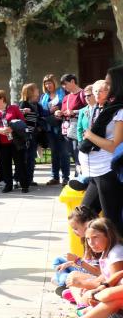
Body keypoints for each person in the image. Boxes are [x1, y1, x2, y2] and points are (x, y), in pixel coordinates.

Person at [43, 218, 123, 318]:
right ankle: (84, 313)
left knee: (106, 299)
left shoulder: (116, 252)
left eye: (95, 237)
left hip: (115, 297)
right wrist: (91, 285)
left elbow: (114, 285)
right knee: (72, 276)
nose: (91, 243)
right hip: (111, 292)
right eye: (88, 239)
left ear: (109, 235)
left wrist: (88, 286)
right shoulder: (108, 250)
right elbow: (107, 277)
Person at [80, 71, 123, 235]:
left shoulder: (119, 110)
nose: (104, 86)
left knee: (111, 222)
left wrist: (90, 135)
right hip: (95, 171)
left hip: (108, 171)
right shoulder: (106, 107)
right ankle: (92, 257)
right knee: (82, 218)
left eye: (108, 83)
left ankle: (114, 258)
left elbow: (114, 146)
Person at [0, 90, 29, 193]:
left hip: (16, 142)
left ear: (2, 99)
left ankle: (24, 185)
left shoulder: (13, 108)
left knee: (20, 164)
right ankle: (8, 185)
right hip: (2, 144)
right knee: (5, 165)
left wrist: (13, 128)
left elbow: (23, 121)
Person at [52, 205, 99, 295]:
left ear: (86, 225)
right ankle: (65, 282)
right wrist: (69, 263)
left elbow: (96, 271)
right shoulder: (86, 239)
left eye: (76, 228)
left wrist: (76, 260)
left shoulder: (95, 242)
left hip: (91, 274)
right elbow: (86, 260)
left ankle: (64, 284)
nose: (74, 232)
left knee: (70, 274)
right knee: (58, 260)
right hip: (85, 268)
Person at [40, 74, 69, 185]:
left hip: (62, 126)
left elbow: (68, 106)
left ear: (54, 83)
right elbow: (41, 112)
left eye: (50, 82)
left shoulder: (63, 93)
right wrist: (50, 111)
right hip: (49, 127)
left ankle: (66, 177)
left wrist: (60, 109)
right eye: (46, 83)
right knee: (54, 153)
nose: (48, 85)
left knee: (64, 153)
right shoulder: (43, 97)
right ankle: (55, 177)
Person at [17, 83, 45, 190]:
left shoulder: (37, 104)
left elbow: (42, 115)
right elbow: (18, 116)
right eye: (36, 89)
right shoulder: (23, 104)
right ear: (30, 92)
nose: (38, 90)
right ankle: (22, 179)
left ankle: (29, 179)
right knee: (25, 157)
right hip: (25, 135)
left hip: (34, 135)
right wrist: (23, 112)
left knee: (31, 158)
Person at [59, 73, 87, 177]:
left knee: (77, 151)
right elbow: (63, 110)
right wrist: (59, 113)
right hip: (67, 128)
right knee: (71, 152)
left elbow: (89, 109)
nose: (63, 87)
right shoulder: (66, 97)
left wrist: (74, 112)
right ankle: (78, 174)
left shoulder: (83, 94)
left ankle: (80, 175)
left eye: (65, 84)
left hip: (78, 127)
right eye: (62, 85)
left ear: (72, 81)